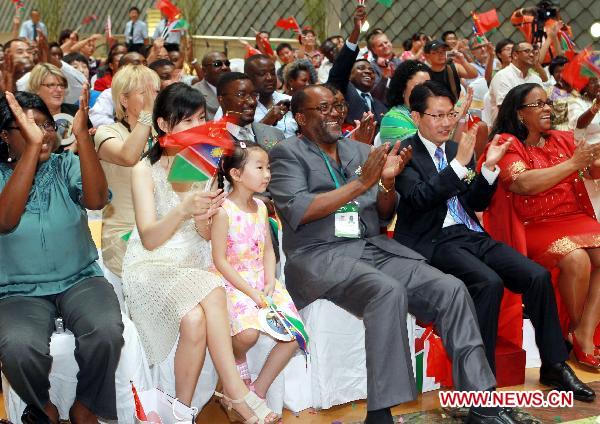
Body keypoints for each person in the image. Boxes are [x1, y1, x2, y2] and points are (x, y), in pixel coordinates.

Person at [269, 83, 527, 424]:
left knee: (450, 288)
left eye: (339, 106)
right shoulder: (287, 153)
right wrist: (362, 183)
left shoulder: (359, 151)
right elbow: (299, 210)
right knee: (386, 291)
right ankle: (380, 415)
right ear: (301, 118)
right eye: (324, 108)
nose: (335, 113)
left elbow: (383, 213)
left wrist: (387, 183)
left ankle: (481, 401)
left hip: (369, 247)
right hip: (318, 255)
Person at [393, 81, 594, 401]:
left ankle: (554, 364)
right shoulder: (404, 152)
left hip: (469, 233)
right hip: (432, 239)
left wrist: (487, 169)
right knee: (488, 283)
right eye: (437, 116)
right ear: (416, 117)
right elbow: (419, 198)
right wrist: (458, 165)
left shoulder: (455, 149)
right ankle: (480, 385)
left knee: (536, 276)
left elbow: (476, 202)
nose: (446, 122)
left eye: (450, 115)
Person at [120, 83, 277, 423]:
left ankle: (180, 412)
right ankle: (236, 392)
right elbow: (149, 238)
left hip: (192, 261)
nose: (198, 127)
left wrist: (204, 218)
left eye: (201, 118)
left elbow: (204, 236)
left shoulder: (204, 161)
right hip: (151, 265)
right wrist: (183, 210)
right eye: (188, 120)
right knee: (213, 288)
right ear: (163, 124)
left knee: (194, 321)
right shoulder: (144, 169)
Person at [0, 89, 124, 424]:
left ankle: (87, 404)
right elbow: (5, 220)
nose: (41, 134)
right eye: (29, 128)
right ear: (5, 136)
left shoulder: (64, 165)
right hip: (17, 291)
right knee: (17, 346)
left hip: (80, 278)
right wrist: (31, 151)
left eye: (46, 126)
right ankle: (42, 405)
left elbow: (96, 200)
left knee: (107, 330)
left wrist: (82, 137)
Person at [486, 82, 600, 368]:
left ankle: (583, 332)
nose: (547, 108)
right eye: (538, 104)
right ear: (520, 113)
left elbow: (590, 169)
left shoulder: (561, 139)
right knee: (576, 259)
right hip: (534, 224)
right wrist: (573, 164)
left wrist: (592, 160)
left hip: (575, 218)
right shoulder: (506, 144)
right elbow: (522, 183)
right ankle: (576, 334)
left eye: (547, 102)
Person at [211, 141, 300, 404]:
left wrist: (270, 280)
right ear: (236, 174)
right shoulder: (223, 212)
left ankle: (258, 391)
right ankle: (237, 360)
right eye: (259, 168)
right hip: (233, 282)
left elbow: (268, 251)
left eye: (268, 168)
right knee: (247, 334)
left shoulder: (261, 207)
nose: (267, 174)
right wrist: (250, 292)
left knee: (294, 334)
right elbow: (219, 260)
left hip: (262, 280)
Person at [92, 65, 160, 301]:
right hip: (124, 233)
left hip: (163, 231)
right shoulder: (106, 133)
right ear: (123, 100)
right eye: (144, 92)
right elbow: (128, 156)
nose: (153, 98)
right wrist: (147, 115)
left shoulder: (165, 136)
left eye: (156, 91)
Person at [327, 5, 388, 128]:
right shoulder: (342, 93)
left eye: (371, 70)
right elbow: (341, 67)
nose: (368, 72)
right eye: (361, 68)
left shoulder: (381, 106)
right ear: (349, 75)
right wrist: (356, 30)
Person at [217, 72, 285, 150]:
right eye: (241, 95)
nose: (252, 102)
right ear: (221, 100)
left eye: (254, 95)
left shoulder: (275, 134)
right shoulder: (211, 141)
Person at [487, 42, 543, 125]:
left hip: (533, 126)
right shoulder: (502, 76)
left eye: (533, 52)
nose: (532, 55)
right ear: (515, 55)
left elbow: (542, 104)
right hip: (507, 127)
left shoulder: (536, 79)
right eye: (527, 51)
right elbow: (506, 108)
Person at [244, 55, 297, 138]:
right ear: (247, 77)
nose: (269, 78)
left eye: (272, 73)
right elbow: (242, 141)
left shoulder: (290, 100)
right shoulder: (240, 108)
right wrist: (266, 121)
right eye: (262, 74)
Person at [380, 60, 431, 144]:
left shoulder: (431, 113)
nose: (426, 91)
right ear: (403, 89)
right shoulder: (392, 119)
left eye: (429, 86)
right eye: (419, 86)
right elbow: (425, 146)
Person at [192, 51, 231, 121]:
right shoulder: (194, 93)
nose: (225, 67)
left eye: (227, 63)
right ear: (204, 71)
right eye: (217, 64)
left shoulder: (234, 89)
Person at [569, 77, 600, 143]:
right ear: (585, 87)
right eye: (593, 82)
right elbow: (579, 124)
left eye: (599, 81)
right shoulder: (576, 102)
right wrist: (596, 106)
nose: (598, 84)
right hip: (588, 145)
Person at [546, 55, 571, 130]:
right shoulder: (548, 93)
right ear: (552, 74)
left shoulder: (579, 90)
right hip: (560, 132)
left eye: (564, 71)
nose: (561, 75)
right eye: (557, 72)